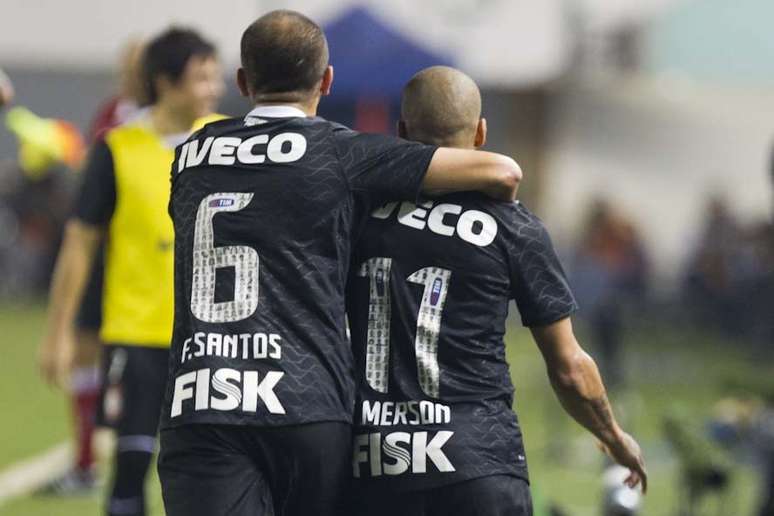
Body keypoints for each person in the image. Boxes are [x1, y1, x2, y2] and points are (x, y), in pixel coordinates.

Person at [156, 10, 521, 516]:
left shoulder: (191, 153)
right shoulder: (340, 151)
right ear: (326, 81)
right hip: (307, 405)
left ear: (242, 82)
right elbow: (501, 173)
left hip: (201, 402)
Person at [346, 66, 647, 516]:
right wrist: (612, 436)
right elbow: (568, 368)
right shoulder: (513, 226)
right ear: (481, 132)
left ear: (402, 131)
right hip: (479, 463)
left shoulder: (356, 215)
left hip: (376, 464)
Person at [38, 27, 224, 516]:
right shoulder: (117, 149)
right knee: (129, 474)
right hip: (136, 336)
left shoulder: (232, 143)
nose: (213, 89)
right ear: (165, 82)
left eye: (214, 77)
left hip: (214, 339)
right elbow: (79, 245)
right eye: (201, 78)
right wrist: (58, 333)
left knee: (214, 476)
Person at [37, 38, 148, 496]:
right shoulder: (111, 114)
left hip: (147, 258)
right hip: (104, 248)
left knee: (148, 367)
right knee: (86, 351)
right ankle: (84, 462)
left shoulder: (173, 123)